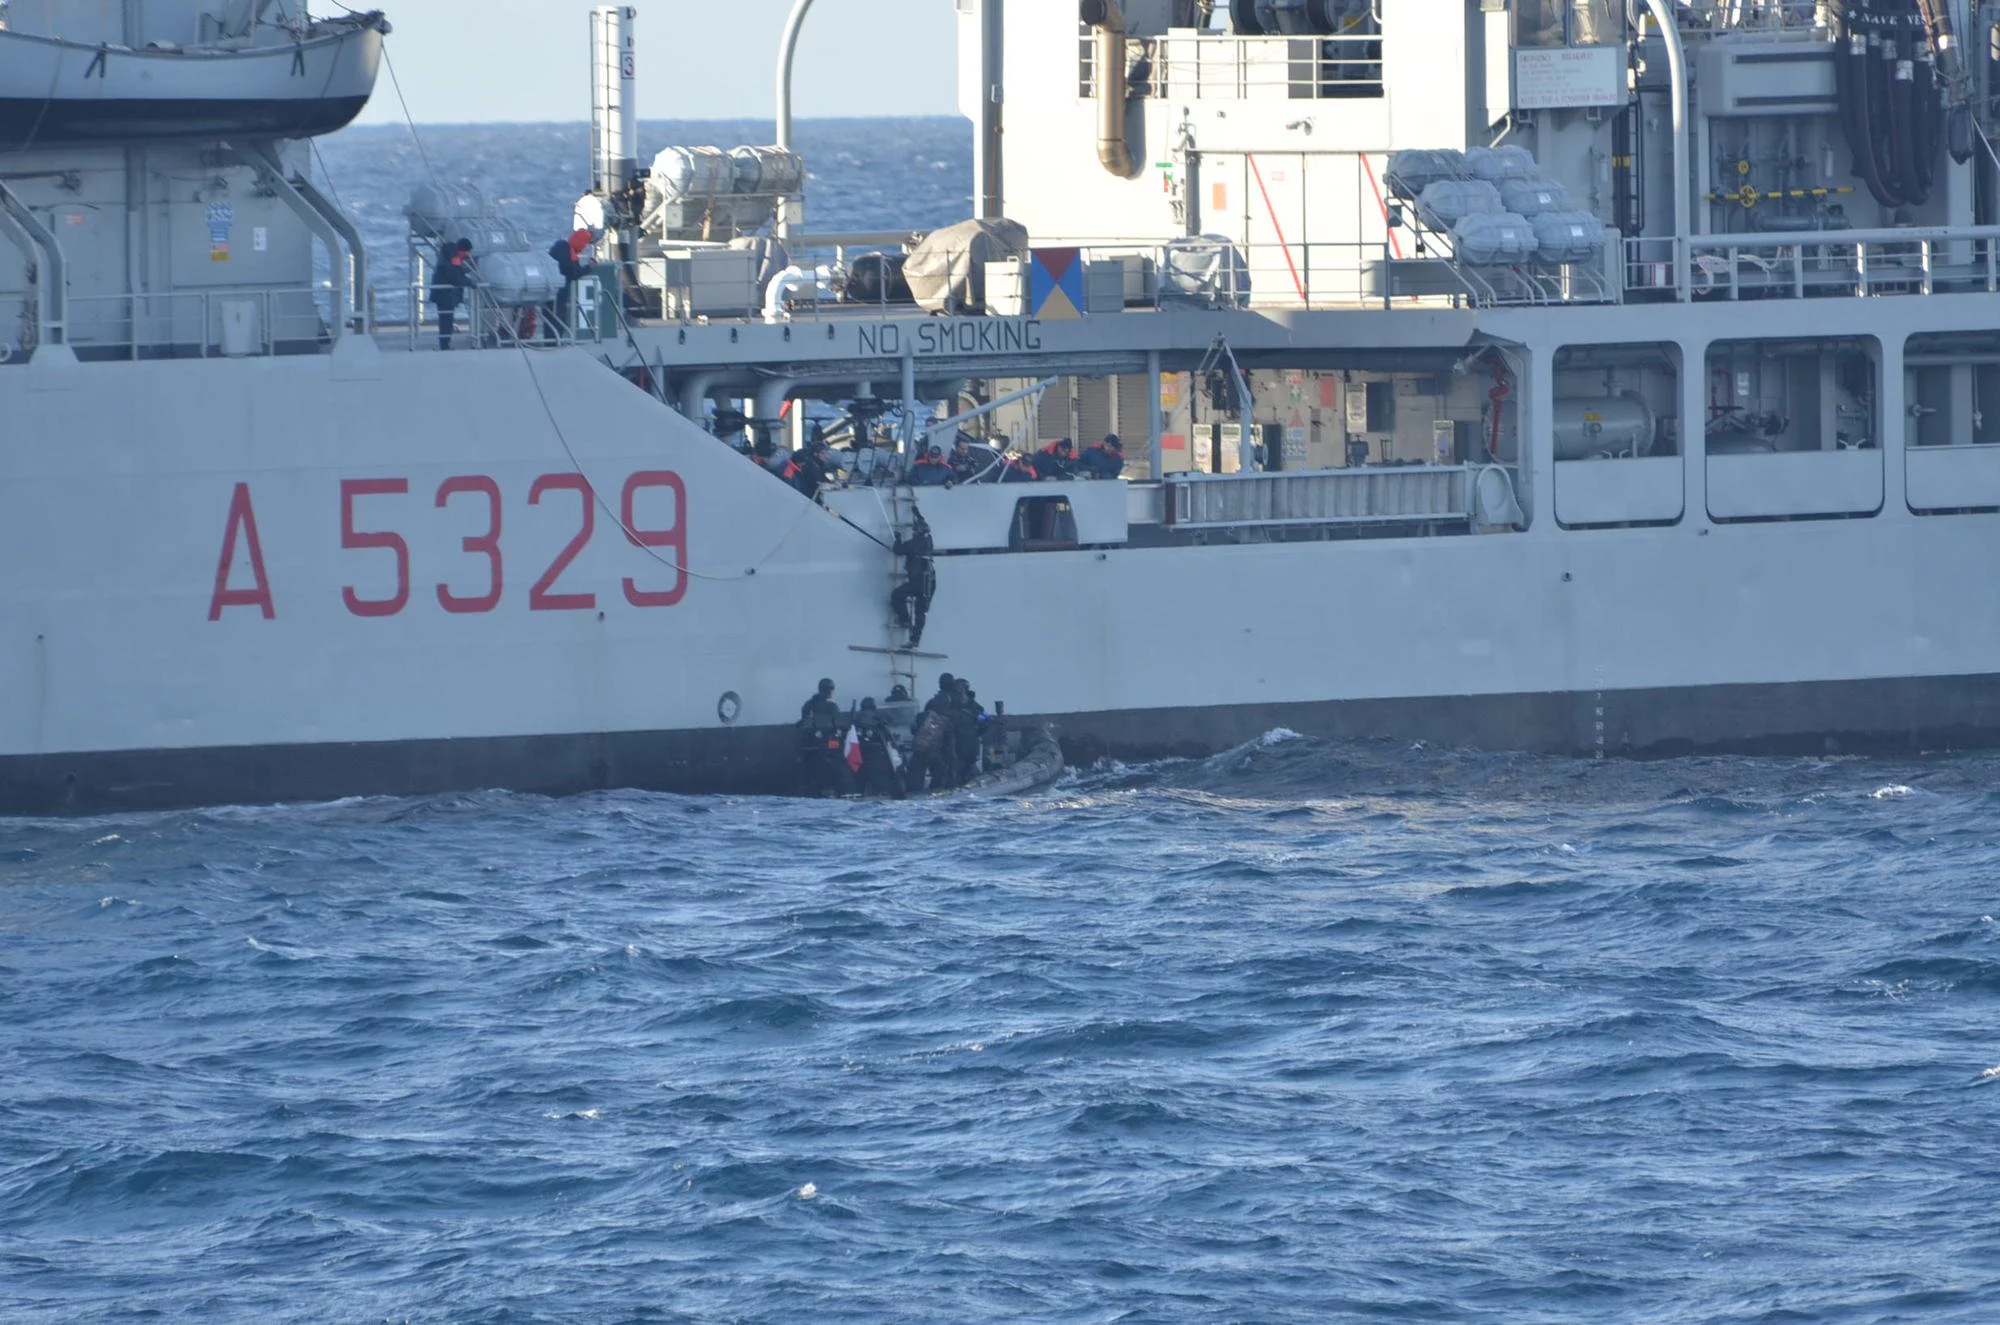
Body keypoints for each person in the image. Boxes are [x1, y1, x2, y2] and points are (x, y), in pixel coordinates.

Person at [890, 510, 937, 648]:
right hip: (930, 582)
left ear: (918, 532)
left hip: (918, 582)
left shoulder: (914, 543)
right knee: (921, 612)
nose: (913, 532)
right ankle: (915, 640)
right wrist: (916, 512)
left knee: (896, 595)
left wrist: (898, 537)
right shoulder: (929, 540)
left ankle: (904, 619)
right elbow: (923, 521)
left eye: (915, 530)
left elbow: (898, 550)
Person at [545, 225, 600, 341]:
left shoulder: (566, 249)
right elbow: (573, 272)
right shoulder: (565, 250)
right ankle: (554, 341)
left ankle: (553, 340)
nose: (583, 247)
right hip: (558, 290)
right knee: (556, 315)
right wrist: (589, 267)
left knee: (553, 315)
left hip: (555, 289)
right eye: (584, 243)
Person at [797, 678, 847, 796]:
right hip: (829, 742)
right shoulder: (831, 705)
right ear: (830, 690)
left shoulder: (808, 704)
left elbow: (804, 722)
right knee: (840, 758)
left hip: (810, 744)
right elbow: (838, 723)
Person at [853, 697, 905, 799]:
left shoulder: (856, 718)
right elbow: (889, 735)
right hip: (879, 755)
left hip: (859, 755)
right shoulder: (879, 716)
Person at [429, 238, 474, 351]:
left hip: (444, 294)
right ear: (462, 250)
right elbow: (454, 277)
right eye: (467, 252)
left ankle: (445, 343)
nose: (468, 255)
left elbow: (456, 273)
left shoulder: (449, 255)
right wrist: (470, 283)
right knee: (446, 319)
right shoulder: (453, 258)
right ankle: (444, 345)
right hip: (445, 295)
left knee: (446, 319)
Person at [794, 437, 841, 502]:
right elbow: (816, 483)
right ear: (815, 454)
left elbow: (823, 478)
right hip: (810, 499)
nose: (826, 456)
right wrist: (831, 485)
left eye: (826, 453)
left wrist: (833, 483)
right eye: (823, 453)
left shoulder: (819, 464)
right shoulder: (809, 466)